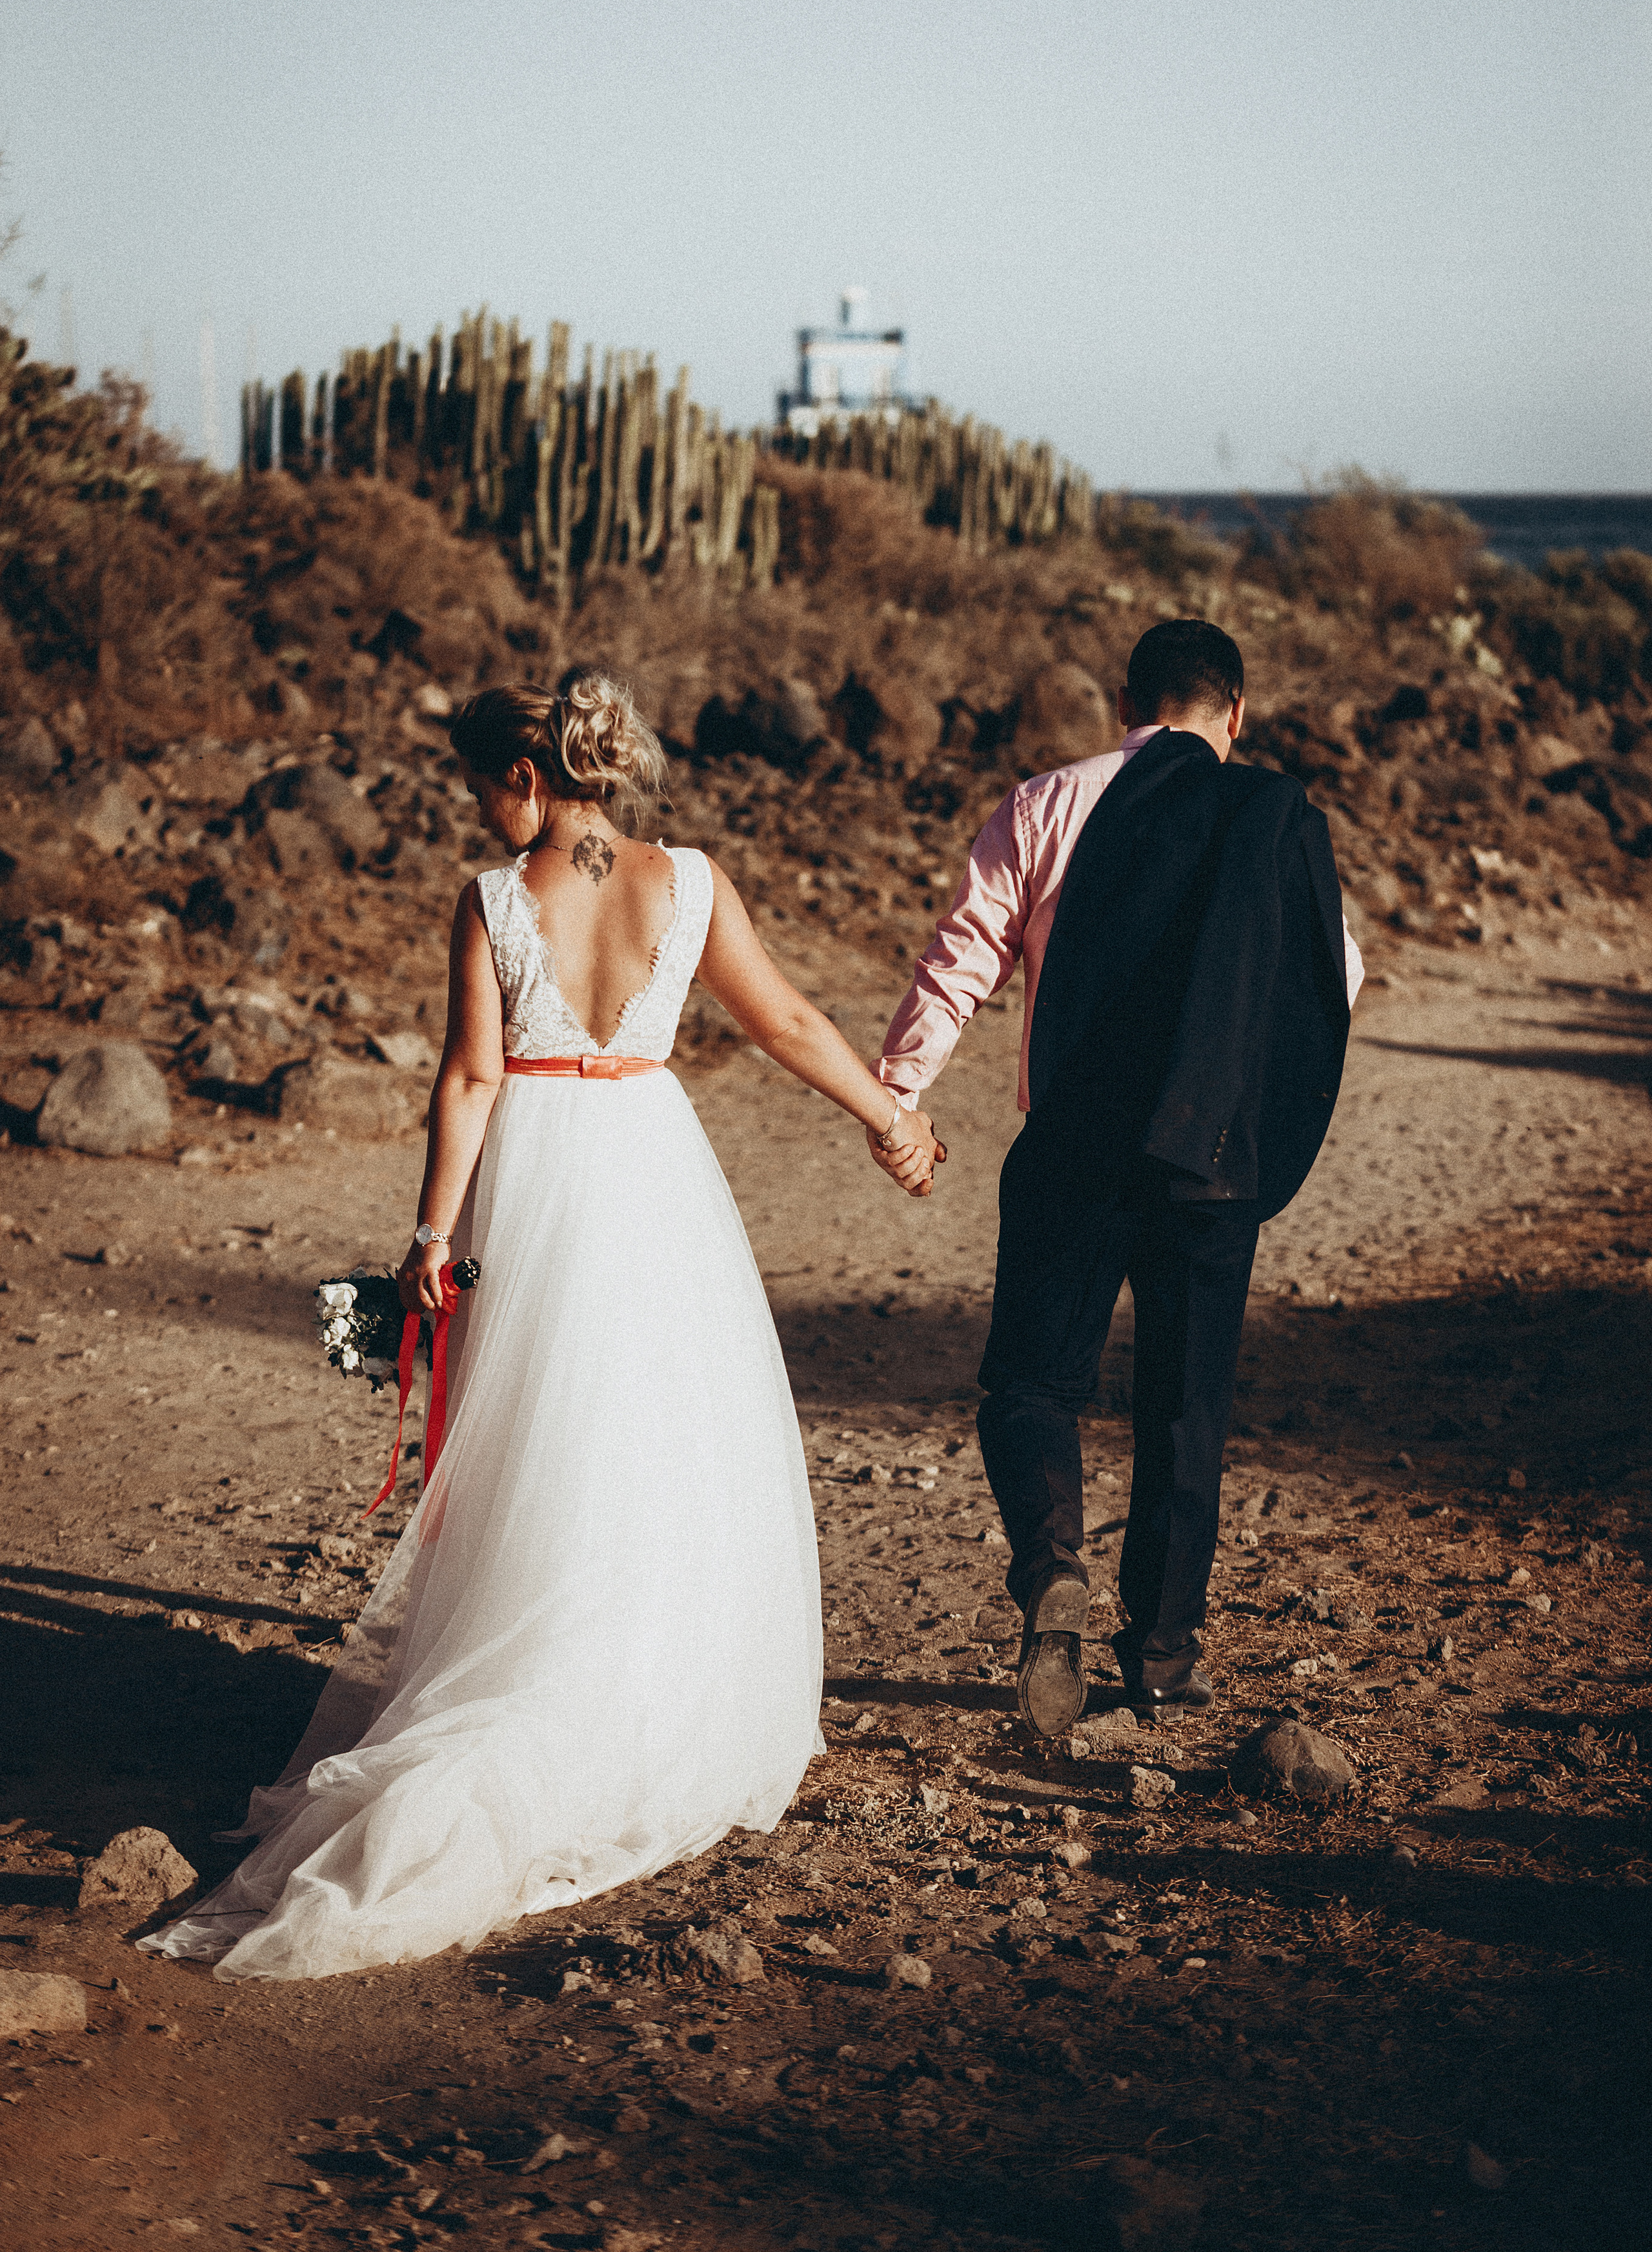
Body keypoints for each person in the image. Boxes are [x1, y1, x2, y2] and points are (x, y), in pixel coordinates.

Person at [142, 673, 938, 1980]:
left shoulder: (497, 898)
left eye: (481, 789)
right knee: (660, 1426)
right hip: (652, 1163)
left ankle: (529, 1672)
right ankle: (656, 1687)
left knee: (547, 1433)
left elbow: (470, 1076)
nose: (480, 813)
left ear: (524, 778)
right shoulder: (691, 882)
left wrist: (430, 1239)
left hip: (542, 1174)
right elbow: (788, 1020)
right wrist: (890, 1120)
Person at [869, 621, 1363, 1737]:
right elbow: (1335, 977)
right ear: (1237, 713)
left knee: (1032, 1385)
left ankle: (1054, 1565)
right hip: (1212, 1160)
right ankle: (1164, 1659)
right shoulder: (1271, 817)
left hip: (1074, 1148)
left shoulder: (1049, 802)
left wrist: (899, 1096)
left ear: (1127, 704)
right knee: (1186, 1408)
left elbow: (962, 957)